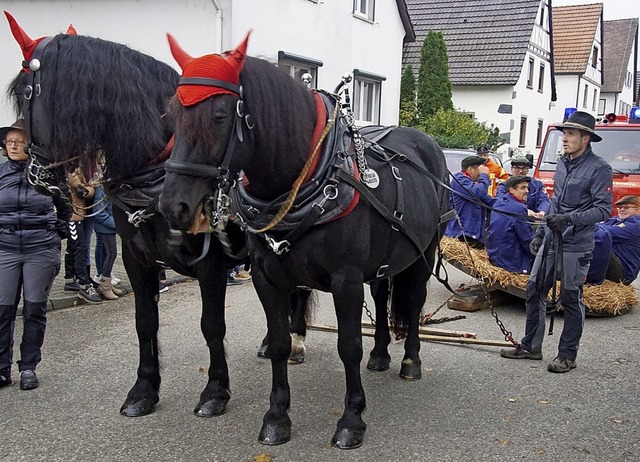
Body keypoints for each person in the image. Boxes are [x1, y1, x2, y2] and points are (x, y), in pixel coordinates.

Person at [500, 111, 612, 373]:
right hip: (552, 238)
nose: (565, 138)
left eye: (570, 134)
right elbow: (556, 204)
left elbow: (603, 210)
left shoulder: (599, 168)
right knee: (534, 289)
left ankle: (567, 355)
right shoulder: (562, 164)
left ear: (586, 139)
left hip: (577, 244)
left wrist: (569, 219)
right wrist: (540, 234)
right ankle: (531, 346)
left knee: (571, 298)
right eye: (564, 133)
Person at [0, 119, 71, 390]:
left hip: (40, 249)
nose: (14, 145)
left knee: (34, 309)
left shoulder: (49, 175)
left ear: (31, 145)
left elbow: (66, 210)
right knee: (3, 310)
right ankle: (1, 369)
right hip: (5, 249)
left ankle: (28, 366)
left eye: (20, 141)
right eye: (10, 141)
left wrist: (57, 235)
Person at [63, 167, 102, 303]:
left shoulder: (78, 166)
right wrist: (91, 186)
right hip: (74, 215)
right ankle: (83, 283)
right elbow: (82, 191)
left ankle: (73, 278)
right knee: (80, 247)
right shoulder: (71, 169)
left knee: (75, 246)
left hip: (79, 213)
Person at [586, 195, 640, 285]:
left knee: (598, 241)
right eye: (620, 207)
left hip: (623, 273)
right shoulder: (616, 220)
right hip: (614, 266)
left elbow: (602, 233)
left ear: (638, 210)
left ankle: (591, 281)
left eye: (626, 207)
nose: (622, 209)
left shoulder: (636, 225)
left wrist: (582, 223)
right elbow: (598, 225)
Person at [486, 175, 535, 273]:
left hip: (494, 255)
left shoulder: (499, 203)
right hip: (510, 261)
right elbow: (527, 239)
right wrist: (537, 255)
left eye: (527, 187)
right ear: (511, 189)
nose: (527, 191)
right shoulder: (518, 208)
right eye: (523, 188)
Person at [445, 155, 495, 248]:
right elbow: (478, 193)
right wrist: (484, 176)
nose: (481, 173)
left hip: (471, 235)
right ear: (470, 169)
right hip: (460, 234)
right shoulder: (459, 180)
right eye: (479, 170)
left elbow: (489, 201)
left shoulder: (472, 183)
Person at [92, 184, 120, 300]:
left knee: (105, 253)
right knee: (111, 253)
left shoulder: (110, 187)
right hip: (105, 227)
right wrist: (115, 224)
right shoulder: (102, 188)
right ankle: (105, 284)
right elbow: (98, 212)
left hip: (108, 227)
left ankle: (105, 283)